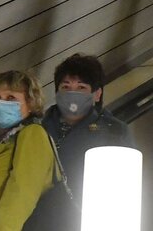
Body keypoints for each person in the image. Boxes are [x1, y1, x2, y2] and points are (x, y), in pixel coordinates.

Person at [35, 55, 135, 230]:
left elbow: (126, 193)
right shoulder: (36, 132)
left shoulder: (114, 132)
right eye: (66, 87)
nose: (72, 93)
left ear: (97, 94)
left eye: (81, 87)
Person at [0, 71, 56, 231]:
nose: (1, 103)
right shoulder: (8, 142)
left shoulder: (33, 134)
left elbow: (21, 196)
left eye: (11, 98)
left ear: (31, 102)